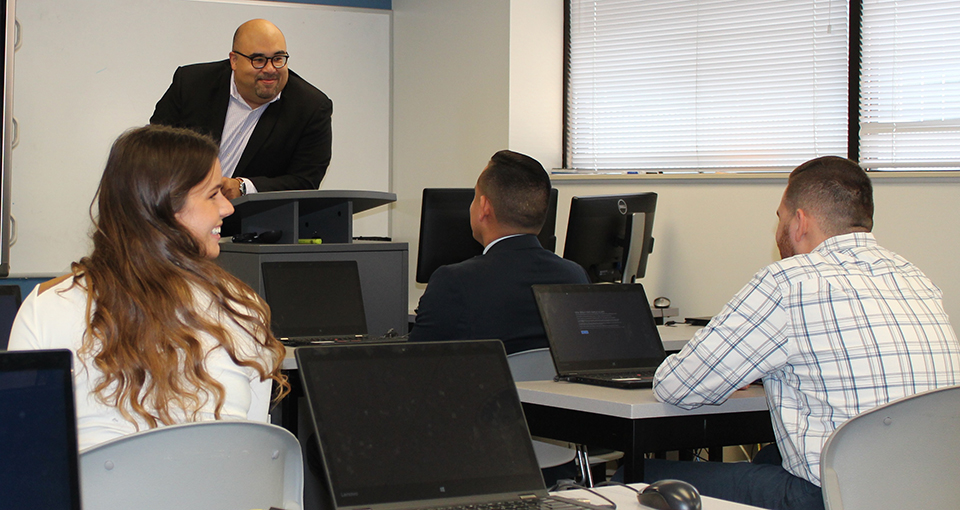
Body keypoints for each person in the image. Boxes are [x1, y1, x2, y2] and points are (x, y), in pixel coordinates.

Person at [646, 156, 960, 510]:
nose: (777, 230)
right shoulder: (915, 279)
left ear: (799, 221)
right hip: (930, 492)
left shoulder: (790, 281)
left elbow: (676, 387)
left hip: (830, 498)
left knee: (635, 476)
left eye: (779, 218)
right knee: (768, 458)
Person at [8, 125, 289, 451]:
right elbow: (256, 456)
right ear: (163, 206)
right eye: (213, 195)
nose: (227, 208)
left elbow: (22, 450)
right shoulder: (241, 308)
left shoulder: (48, 307)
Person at [409, 150, 590, 354]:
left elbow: (415, 363)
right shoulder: (575, 276)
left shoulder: (453, 281)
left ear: (484, 207)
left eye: (475, 197)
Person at [150, 19, 332, 200]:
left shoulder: (311, 108)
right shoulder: (191, 83)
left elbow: (305, 181)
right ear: (234, 61)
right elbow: (154, 145)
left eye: (278, 59)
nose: (270, 69)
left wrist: (244, 188)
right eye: (258, 60)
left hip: (251, 222)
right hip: (177, 207)